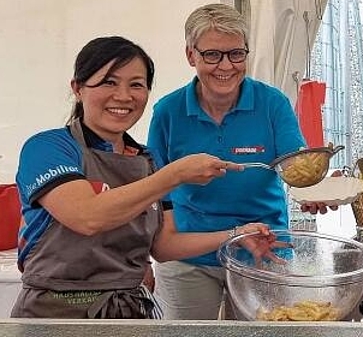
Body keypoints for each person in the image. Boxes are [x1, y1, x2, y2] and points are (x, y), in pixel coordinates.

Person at [12, 36, 277, 319]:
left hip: (128, 314)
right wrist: (174, 175)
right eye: (108, 82)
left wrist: (237, 234)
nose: (124, 96)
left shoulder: (146, 160)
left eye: (136, 85)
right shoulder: (49, 148)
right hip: (54, 313)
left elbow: (164, 246)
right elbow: (87, 216)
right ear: (78, 88)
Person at [147, 3, 333, 320]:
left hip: (265, 248)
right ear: (191, 55)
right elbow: (156, 190)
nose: (226, 66)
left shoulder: (272, 102)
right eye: (212, 55)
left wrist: (317, 186)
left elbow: (295, 165)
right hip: (190, 256)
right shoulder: (168, 111)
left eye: (236, 54)